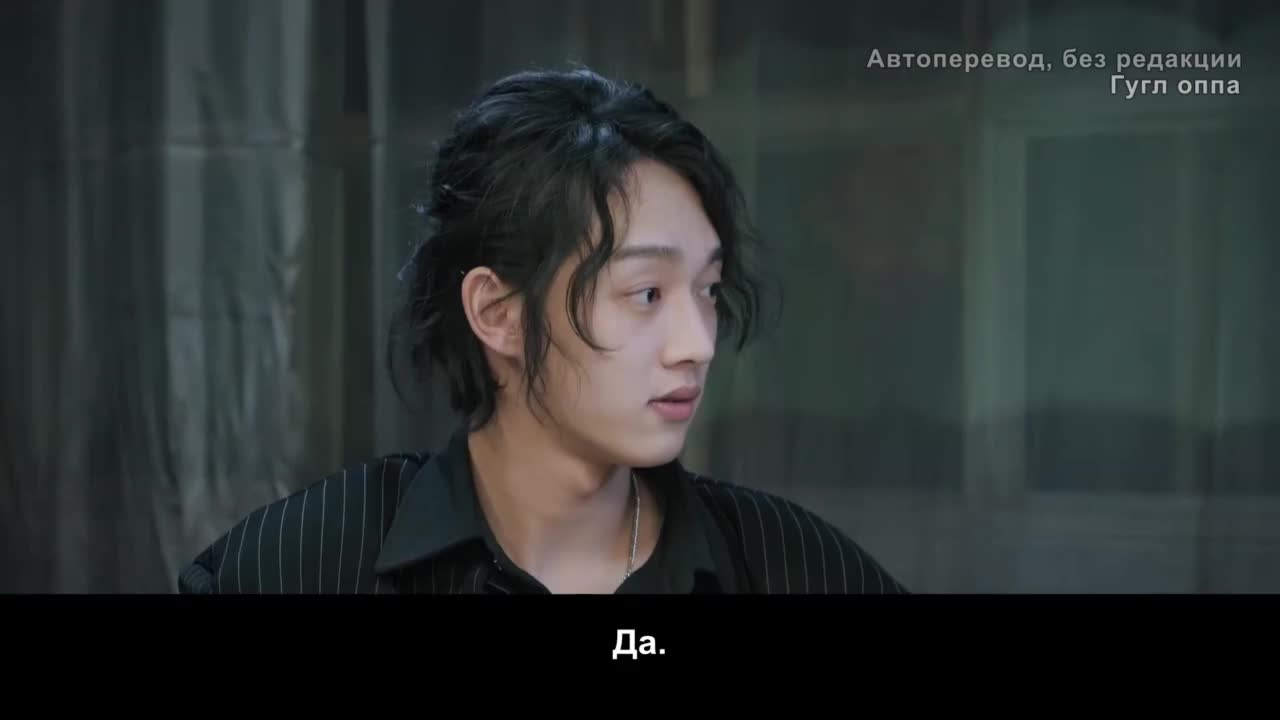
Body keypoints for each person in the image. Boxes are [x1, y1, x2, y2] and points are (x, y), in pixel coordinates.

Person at [177, 65, 906, 595]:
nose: (698, 343)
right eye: (646, 293)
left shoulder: (788, 566)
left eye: (708, 290)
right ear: (498, 314)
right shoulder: (300, 565)